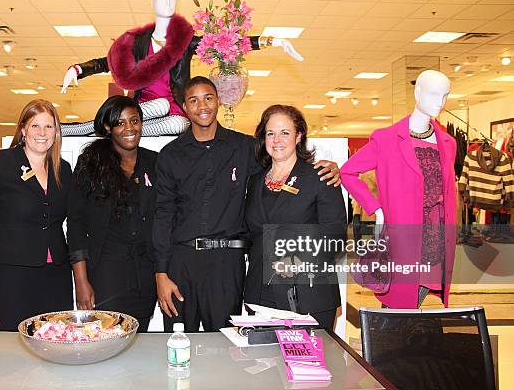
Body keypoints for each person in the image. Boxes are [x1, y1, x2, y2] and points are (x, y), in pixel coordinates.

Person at [153, 76, 341, 332]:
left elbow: (285, 164)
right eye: (193, 100)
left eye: (208, 98)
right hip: (181, 262)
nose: (202, 106)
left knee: (224, 345)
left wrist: (333, 167)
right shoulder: (170, 154)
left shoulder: (245, 148)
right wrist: (161, 273)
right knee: (176, 340)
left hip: (226, 262)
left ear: (218, 101)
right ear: (184, 107)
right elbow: (163, 214)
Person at [59, 0, 303, 137]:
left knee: (178, 125)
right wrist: (79, 69)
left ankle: (113, 131)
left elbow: (224, 42)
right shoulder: (138, 43)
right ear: (152, 2)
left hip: (172, 108)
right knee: (158, 106)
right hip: (143, 106)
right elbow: (107, 62)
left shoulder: (183, 42)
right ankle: (85, 128)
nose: (168, 3)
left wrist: (270, 41)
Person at [341, 70, 457, 309]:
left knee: (417, 298)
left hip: (436, 236)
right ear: (417, 92)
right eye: (434, 94)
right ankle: (387, 343)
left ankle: (398, 342)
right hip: (402, 234)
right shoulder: (386, 139)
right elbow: (348, 172)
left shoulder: (448, 142)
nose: (440, 102)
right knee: (399, 302)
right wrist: (378, 210)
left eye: (445, 95)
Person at [0, 99, 73, 331]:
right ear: (23, 129)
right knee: (13, 344)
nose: (42, 133)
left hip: (56, 275)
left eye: (49, 127)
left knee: (55, 338)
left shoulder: (64, 169)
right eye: (35, 126)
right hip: (12, 275)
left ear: (56, 132)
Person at [244, 105, 347, 329]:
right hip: (260, 293)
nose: (277, 140)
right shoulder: (255, 181)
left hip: (307, 293)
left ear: (299, 136)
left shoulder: (320, 177)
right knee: (265, 362)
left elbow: (335, 237)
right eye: (270, 133)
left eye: (285, 133)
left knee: (308, 363)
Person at [67, 95, 157, 333]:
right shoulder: (91, 163)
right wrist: (81, 281)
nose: (129, 128)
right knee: (107, 338)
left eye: (134, 121)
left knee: (140, 339)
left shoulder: (155, 162)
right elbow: (75, 224)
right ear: (108, 127)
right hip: (106, 272)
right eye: (120, 122)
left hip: (145, 274)